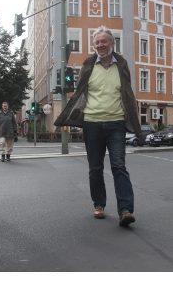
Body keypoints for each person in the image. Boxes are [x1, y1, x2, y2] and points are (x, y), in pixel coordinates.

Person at [54, 26, 141, 226]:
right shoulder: (88, 66)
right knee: (95, 168)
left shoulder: (122, 66)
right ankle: (99, 205)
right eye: (97, 42)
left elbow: (127, 93)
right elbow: (80, 94)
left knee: (119, 166)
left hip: (116, 123)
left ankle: (126, 210)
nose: (100, 45)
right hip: (92, 123)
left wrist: (133, 118)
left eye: (104, 41)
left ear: (112, 43)